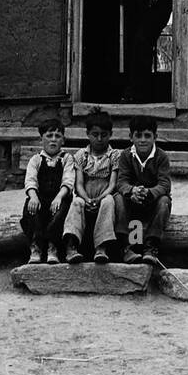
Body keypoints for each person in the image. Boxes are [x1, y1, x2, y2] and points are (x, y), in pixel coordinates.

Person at [112, 115, 172, 266]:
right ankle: (127, 246)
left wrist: (149, 192)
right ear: (131, 137)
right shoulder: (126, 155)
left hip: (152, 202)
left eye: (147, 136)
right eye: (138, 136)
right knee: (118, 198)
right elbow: (121, 181)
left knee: (165, 201)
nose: (143, 140)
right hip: (132, 202)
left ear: (155, 137)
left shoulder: (161, 157)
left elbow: (164, 184)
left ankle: (151, 246)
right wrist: (132, 191)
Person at [63, 108, 120, 264]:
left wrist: (101, 198)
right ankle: (71, 246)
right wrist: (86, 198)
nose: (100, 139)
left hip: (104, 192)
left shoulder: (115, 155)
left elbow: (113, 184)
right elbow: (79, 183)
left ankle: (101, 247)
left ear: (111, 134)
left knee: (109, 201)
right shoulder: (81, 155)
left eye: (104, 135)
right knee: (76, 203)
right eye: (95, 135)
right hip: (85, 194)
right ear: (87, 134)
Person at [20, 120, 74, 265]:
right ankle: (36, 246)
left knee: (60, 211)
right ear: (41, 138)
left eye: (58, 136)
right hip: (40, 197)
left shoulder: (67, 159)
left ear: (63, 139)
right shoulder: (36, 159)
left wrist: (59, 196)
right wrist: (33, 196)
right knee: (31, 210)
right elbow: (30, 180)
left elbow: (68, 181)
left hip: (59, 197)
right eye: (49, 135)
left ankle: (52, 246)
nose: (53, 139)